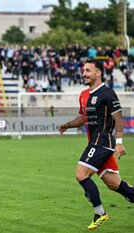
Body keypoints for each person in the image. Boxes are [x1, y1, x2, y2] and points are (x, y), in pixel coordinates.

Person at [58, 59, 133, 230]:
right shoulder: (84, 95)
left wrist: (119, 143)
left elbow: (118, 119)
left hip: (103, 142)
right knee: (115, 184)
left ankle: (100, 213)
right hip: (95, 143)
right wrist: (68, 125)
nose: (83, 74)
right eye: (83, 70)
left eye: (87, 70)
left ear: (98, 73)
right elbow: (83, 117)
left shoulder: (107, 93)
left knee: (81, 174)